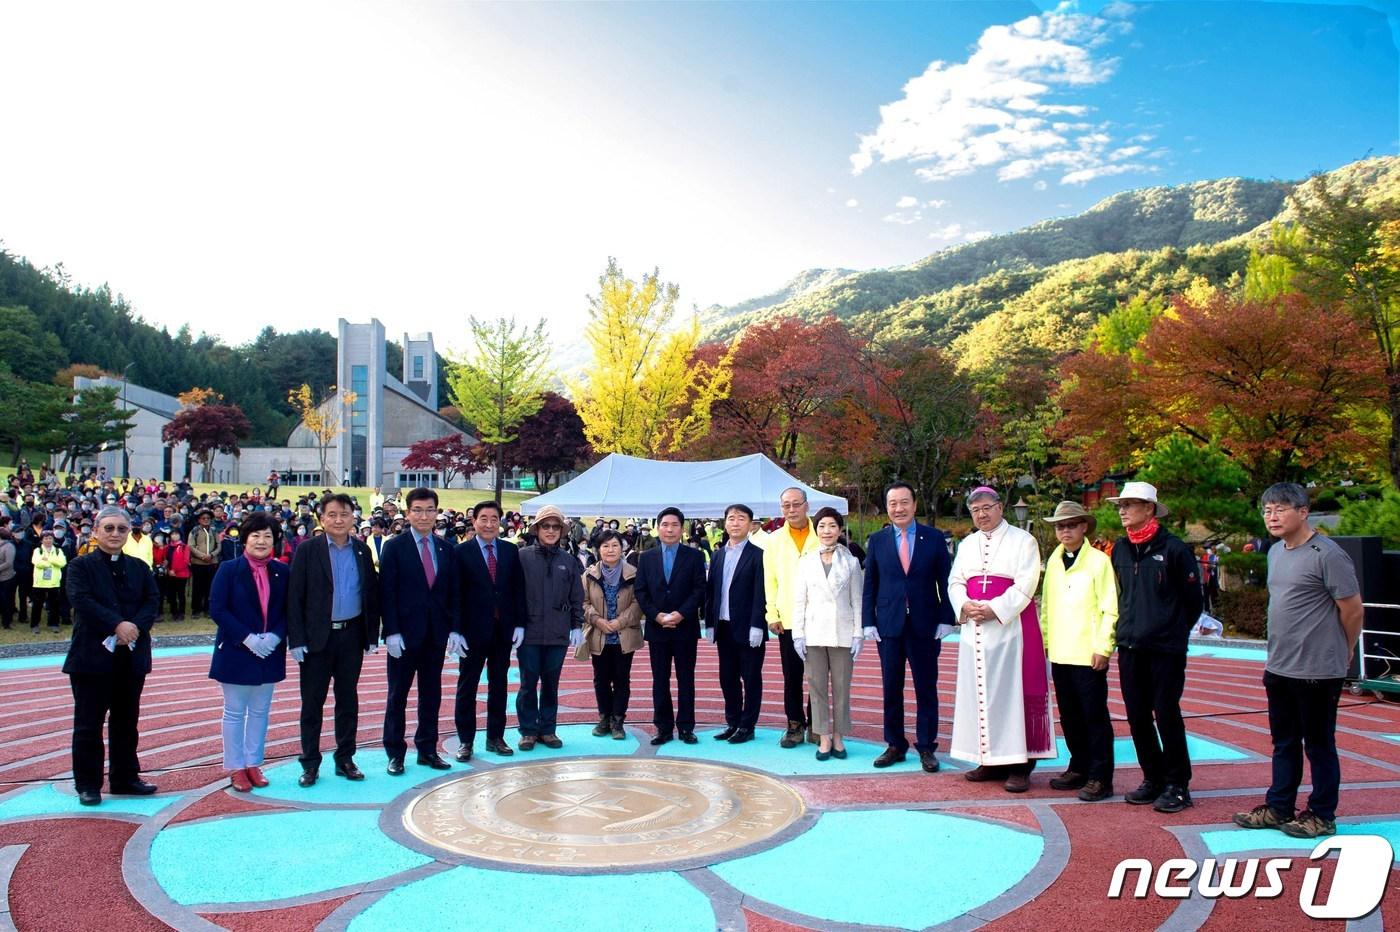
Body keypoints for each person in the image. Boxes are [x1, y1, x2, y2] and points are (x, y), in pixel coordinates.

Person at [1232, 483, 1364, 839]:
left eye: (1280, 509)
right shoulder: (1276, 552)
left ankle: (1322, 814)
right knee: (1284, 742)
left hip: (1318, 670)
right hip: (1279, 666)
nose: (1272, 517)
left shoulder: (1328, 554)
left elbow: (1352, 609)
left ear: (1303, 512)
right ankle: (1279, 807)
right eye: (1267, 510)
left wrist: (1344, 648)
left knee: (1318, 744)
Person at [1107, 480, 1203, 814]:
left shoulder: (1175, 550)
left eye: (1129, 505)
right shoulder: (1119, 548)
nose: (1122, 511)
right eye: (1120, 506)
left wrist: (1173, 633)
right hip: (1130, 646)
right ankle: (1153, 776)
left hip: (1165, 650)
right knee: (1136, 716)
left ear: (1149, 509)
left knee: (1166, 713)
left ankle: (1178, 783)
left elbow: (1194, 602)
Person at [948, 487, 1053, 792]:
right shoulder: (967, 544)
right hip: (975, 631)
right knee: (980, 696)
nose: (982, 514)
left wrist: (994, 608)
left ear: (1000, 506)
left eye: (986, 508)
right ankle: (989, 760)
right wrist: (964, 605)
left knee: (1010, 695)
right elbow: (955, 581)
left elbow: (1027, 583)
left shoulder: (1024, 541)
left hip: (1010, 630)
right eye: (975, 510)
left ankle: (1020, 764)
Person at [62, 505, 161, 806]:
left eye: (122, 529)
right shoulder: (80, 567)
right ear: (95, 532)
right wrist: (117, 625)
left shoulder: (139, 567)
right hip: (91, 659)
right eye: (109, 528)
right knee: (89, 724)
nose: (115, 533)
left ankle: (125, 778)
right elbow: (81, 600)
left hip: (130, 658)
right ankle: (88, 785)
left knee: (126, 721)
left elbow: (152, 599)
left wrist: (134, 628)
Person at [286, 493, 380, 787]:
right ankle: (310, 763)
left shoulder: (363, 551)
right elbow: (295, 596)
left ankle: (345, 758)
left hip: (351, 636)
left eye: (345, 514)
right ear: (322, 518)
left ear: (354, 517)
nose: (339, 520)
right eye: (332, 514)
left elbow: (371, 595)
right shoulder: (308, 550)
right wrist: (297, 639)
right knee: (312, 703)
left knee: (347, 699)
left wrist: (371, 634)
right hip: (316, 639)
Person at [862, 482, 955, 772]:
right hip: (889, 626)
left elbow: (946, 580)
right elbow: (870, 585)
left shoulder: (935, 538)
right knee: (891, 688)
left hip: (924, 625)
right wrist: (868, 621)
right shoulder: (877, 540)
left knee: (926, 688)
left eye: (904, 502)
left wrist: (946, 618)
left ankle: (927, 746)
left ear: (915, 505)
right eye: (893, 503)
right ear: (886, 507)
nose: (898, 508)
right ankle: (895, 744)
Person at [1039, 501, 1118, 802]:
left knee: (1094, 717)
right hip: (1060, 652)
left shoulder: (1099, 562)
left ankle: (1101, 776)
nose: (1066, 530)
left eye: (1071, 524)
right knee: (1070, 716)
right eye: (1061, 525)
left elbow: (1110, 607)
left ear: (1084, 526)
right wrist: (1046, 641)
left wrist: (1103, 646)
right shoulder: (1054, 562)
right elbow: (1046, 607)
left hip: (1088, 654)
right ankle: (1079, 766)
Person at [208, 512, 289, 792]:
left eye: (268, 535)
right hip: (236, 651)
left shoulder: (282, 572)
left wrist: (276, 636)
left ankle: (254, 763)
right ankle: (235, 766)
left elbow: (290, 610)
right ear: (244, 539)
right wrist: (248, 638)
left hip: (269, 651)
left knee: (260, 712)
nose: (262, 540)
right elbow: (217, 609)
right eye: (256, 535)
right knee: (234, 712)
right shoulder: (229, 569)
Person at [379, 487, 456, 775]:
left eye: (430, 510)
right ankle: (395, 752)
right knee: (397, 695)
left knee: (431, 694)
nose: (424, 516)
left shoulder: (446, 548)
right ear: (408, 513)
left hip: (435, 635)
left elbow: (451, 593)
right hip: (404, 635)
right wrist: (391, 632)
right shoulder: (394, 547)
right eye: (418, 510)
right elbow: (386, 592)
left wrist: (453, 629)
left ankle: (427, 749)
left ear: (437, 512)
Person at [450, 501, 525, 760]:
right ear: (474, 521)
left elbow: (518, 589)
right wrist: (455, 630)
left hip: (502, 630)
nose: (489, 523)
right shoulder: (460, 552)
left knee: (499, 685)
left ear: (500, 522)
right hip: (471, 632)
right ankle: (465, 741)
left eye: (494, 518)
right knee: (467, 687)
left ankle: (496, 737)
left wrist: (519, 623)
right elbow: (455, 593)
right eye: (484, 518)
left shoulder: (510, 550)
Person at [792, 507, 863, 761]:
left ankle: (839, 736)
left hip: (842, 632)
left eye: (832, 525)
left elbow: (857, 599)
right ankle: (822, 736)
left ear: (840, 529)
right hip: (813, 633)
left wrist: (858, 634)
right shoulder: (806, 561)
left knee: (842, 687)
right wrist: (797, 634)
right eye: (822, 526)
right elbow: (800, 601)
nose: (827, 531)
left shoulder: (852, 562)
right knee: (816, 687)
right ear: (816, 528)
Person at [515, 505, 585, 750]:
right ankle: (527, 730)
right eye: (546, 526)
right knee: (527, 682)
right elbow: (511, 594)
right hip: (529, 633)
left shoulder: (569, 561)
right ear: (537, 529)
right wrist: (517, 624)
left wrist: (577, 626)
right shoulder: (521, 557)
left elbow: (577, 596)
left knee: (551, 683)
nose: (551, 531)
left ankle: (548, 729)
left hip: (558, 632)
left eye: (556, 527)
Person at [635, 506, 706, 746]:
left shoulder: (695, 556)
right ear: (657, 527)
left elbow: (699, 590)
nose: (669, 529)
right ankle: (663, 727)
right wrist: (657, 616)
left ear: (682, 528)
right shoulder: (645, 557)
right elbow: (641, 591)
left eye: (674, 525)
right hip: (657, 629)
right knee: (660, 679)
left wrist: (680, 614)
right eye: (665, 524)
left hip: (685, 627)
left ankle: (686, 727)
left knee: (686, 678)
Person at [703, 504, 767, 744]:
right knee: (727, 677)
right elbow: (712, 592)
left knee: (750, 677)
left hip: (748, 627)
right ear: (725, 523)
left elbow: (762, 591)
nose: (736, 523)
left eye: (742, 519)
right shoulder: (718, 555)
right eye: (731, 518)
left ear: (750, 525)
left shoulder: (759, 555)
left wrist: (758, 624)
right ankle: (732, 721)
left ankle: (747, 726)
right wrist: (710, 622)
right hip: (724, 625)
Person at [579, 529, 643, 739]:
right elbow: (583, 602)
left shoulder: (634, 574)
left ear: (622, 547)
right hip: (599, 635)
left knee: (622, 679)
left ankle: (618, 720)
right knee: (601, 679)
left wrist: (618, 622)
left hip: (624, 635)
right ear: (598, 550)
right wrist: (597, 620)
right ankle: (604, 717)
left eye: (615, 545)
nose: (610, 549)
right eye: (605, 546)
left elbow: (638, 604)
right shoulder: (589, 575)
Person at [30, 529, 67, 632]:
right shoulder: (38, 551)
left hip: (54, 582)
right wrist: (52, 562)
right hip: (40, 583)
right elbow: (37, 562)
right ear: (42, 540)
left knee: (54, 605)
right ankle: (34, 625)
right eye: (46, 538)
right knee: (37, 605)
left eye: (50, 538)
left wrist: (48, 560)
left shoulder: (58, 551)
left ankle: (53, 624)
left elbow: (62, 563)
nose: (48, 540)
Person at [189, 510, 220, 616]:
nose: (206, 520)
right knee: (197, 587)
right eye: (203, 518)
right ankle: (196, 609)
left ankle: (208, 609)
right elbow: (191, 546)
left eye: (208, 518)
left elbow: (219, 546)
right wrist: (202, 556)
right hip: (198, 563)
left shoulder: (214, 531)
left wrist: (211, 555)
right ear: (199, 520)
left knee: (210, 587)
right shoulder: (194, 531)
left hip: (211, 563)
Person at [0, 528, 15, 630]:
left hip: (6, 578)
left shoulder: (9, 546)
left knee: (5, 600)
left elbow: (9, 562)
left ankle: (7, 622)